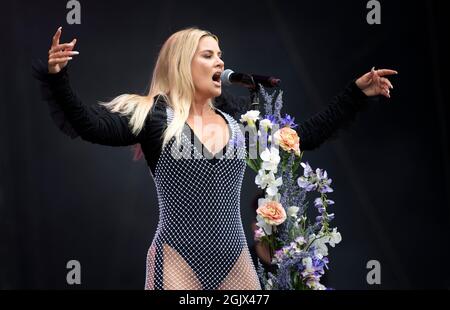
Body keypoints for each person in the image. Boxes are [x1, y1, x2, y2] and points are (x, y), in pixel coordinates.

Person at [32, 26, 396, 290]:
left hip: (234, 259)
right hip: (176, 258)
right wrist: (58, 78)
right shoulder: (155, 116)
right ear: (181, 63)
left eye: (220, 55)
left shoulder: (239, 121)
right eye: (208, 55)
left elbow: (299, 137)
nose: (220, 61)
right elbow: (91, 125)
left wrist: (355, 94)